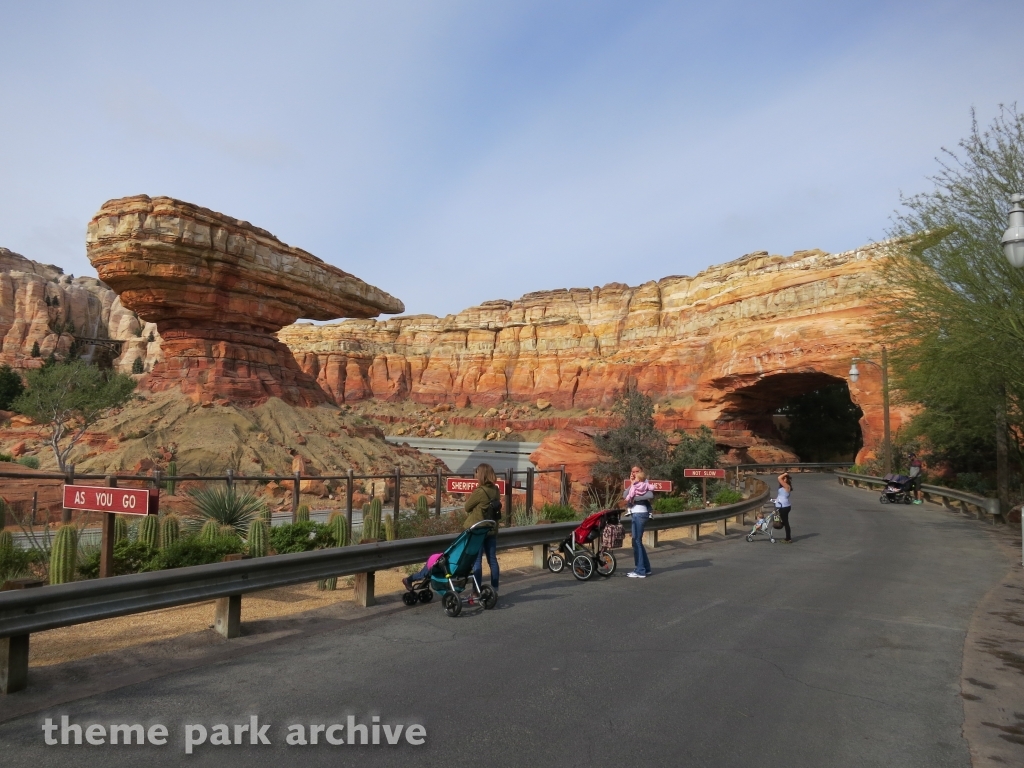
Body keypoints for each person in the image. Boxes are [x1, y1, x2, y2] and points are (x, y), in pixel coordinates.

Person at [463, 463, 500, 593]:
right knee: (492, 560)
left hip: (478, 530)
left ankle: (476, 590)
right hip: (491, 529)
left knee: (477, 561)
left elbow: (467, 507)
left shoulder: (480, 491)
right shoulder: (496, 489)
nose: (476, 475)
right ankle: (495, 589)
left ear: (482, 474)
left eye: (477, 472)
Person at [623, 466, 654, 578]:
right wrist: (632, 484)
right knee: (637, 542)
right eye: (633, 472)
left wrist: (634, 498)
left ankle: (640, 571)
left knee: (636, 541)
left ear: (641, 472)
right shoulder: (634, 483)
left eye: (637, 471)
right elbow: (625, 495)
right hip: (636, 514)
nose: (635, 473)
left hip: (640, 514)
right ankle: (646, 568)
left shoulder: (644, 481)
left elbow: (650, 495)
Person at [775, 471, 793, 543]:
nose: (783, 479)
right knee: (784, 521)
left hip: (784, 507)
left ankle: (788, 539)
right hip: (782, 506)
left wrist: (786, 474)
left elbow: (779, 478)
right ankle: (788, 537)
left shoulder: (786, 486)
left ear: (787, 480)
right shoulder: (783, 487)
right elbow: (781, 496)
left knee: (786, 522)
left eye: (784, 478)